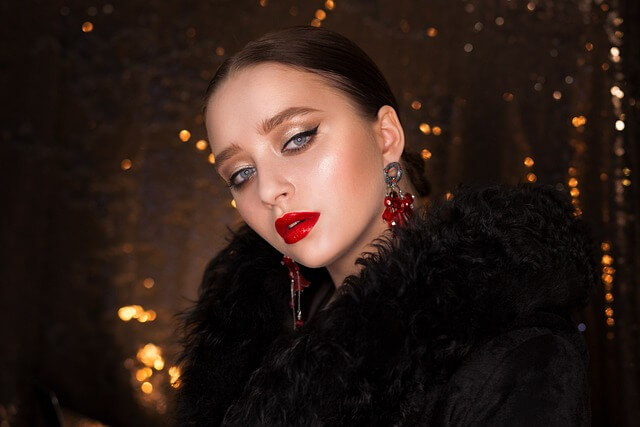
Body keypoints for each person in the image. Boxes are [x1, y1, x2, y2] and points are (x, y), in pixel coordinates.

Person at [176, 26, 597, 425]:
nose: (269, 190)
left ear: (386, 136)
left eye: (297, 138)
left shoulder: (515, 355)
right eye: (241, 173)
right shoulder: (248, 342)